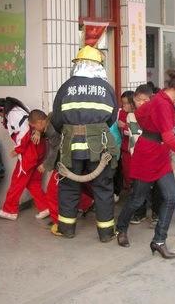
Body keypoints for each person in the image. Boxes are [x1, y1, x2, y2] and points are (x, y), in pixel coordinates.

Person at [116, 68, 175, 259]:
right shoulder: (161, 102)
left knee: (171, 196)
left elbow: (143, 115)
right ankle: (121, 228)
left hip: (159, 153)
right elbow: (167, 137)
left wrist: (158, 127)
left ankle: (159, 240)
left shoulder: (163, 100)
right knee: (137, 198)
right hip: (148, 154)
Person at [51, 45, 119, 241]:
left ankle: (66, 229)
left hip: (70, 147)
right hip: (100, 147)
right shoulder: (107, 88)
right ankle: (106, 233)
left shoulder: (66, 87)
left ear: (78, 65)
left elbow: (56, 119)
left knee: (69, 188)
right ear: (98, 66)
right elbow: (112, 118)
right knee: (103, 188)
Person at [28, 109, 94, 226]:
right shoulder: (52, 118)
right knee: (70, 187)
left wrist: (46, 164)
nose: (33, 129)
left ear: (40, 122)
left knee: (52, 194)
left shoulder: (52, 130)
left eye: (34, 127)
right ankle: (87, 203)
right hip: (75, 158)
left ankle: (58, 223)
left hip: (65, 162)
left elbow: (55, 149)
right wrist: (39, 132)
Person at [0, 97, 49, 221]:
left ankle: (10, 210)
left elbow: (24, 133)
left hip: (29, 152)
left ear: (1, 112)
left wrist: (18, 149)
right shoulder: (21, 109)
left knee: (16, 182)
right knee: (33, 182)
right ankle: (45, 207)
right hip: (39, 149)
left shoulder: (13, 115)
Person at [128, 84, 155, 225]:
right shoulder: (131, 116)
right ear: (134, 100)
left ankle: (156, 214)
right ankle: (140, 213)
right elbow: (135, 136)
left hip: (154, 157)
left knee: (156, 187)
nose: (142, 103)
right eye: (139, 100)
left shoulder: (156, 114)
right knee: (138, 188)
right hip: (138, 157)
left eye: (145, 100)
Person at [118, 91, 135, 192]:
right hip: (126, 149)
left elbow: (136, 131)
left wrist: (125, 126)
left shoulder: (138, 113)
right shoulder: (122, 113)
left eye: (127, 103)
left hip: (136, 150)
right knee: (127, 172)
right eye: (123, 103)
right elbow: (124, 132)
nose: (124, 106)